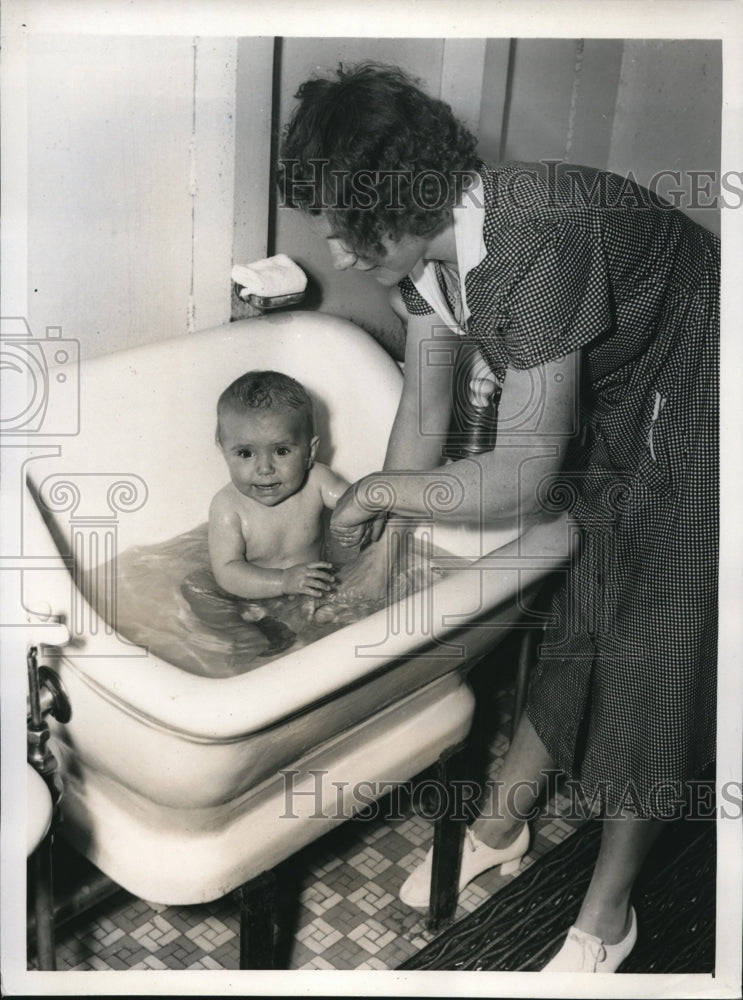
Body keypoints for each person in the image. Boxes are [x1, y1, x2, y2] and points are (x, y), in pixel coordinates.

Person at [277, 63, 719, 973]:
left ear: (399, 202)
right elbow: (422, 415)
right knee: (581, 615)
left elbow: (518, 477)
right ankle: (502, 824)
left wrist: (371, 498)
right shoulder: (431, 260)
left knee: (651, 645)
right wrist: (380, 555)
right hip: (632, 385)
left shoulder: (537, 238)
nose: (336, 251)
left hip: (717, 377)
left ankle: (606, 917)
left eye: (345, 225)